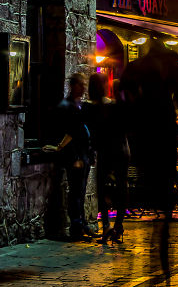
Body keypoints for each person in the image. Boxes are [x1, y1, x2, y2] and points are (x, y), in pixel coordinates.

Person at [119, 37, 178, 287]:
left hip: (142, 138)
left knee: (151, 193)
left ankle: (157, 240)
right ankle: (161, 245)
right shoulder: (171, 66)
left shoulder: (136, 66)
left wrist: (131, 120)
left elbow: (123, 95)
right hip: (161, 135)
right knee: (163, 202)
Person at [42, 74, 94, 241]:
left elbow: (85, 131)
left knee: (81, 190)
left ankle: (82, 223)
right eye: (81, 84)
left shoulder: (81, 106)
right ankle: (76, 226)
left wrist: (89, 153)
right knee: (76, 192)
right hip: (75, 156)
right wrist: (75, 156)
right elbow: (71, 132)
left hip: (84, 154)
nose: (84, 87)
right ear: (74, 86)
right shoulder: (67, 106)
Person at [85, 73, 130, 245]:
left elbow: (91, 132)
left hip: (105, 151)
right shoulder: (114, 105)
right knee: (121, 187)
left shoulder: (89, 108)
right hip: (121, 150)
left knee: (101, 188)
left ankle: (106, 226)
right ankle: (118, 226)